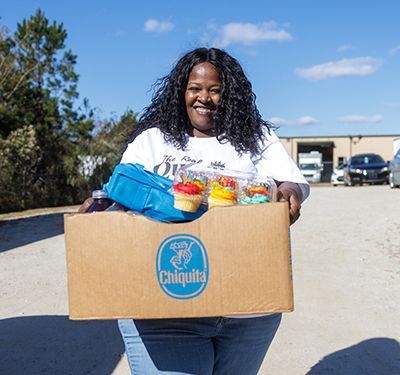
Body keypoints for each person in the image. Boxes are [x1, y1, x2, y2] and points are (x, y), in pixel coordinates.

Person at [81, 47, 309, 374]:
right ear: (181, 92)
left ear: (230, 95)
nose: (204, 98)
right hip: (164, 309)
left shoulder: (257, 139)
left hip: (248, 310)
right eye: (195, 89)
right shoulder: (153, 141)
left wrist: (288, 195)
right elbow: (121, 193)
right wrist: (98, 208)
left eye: (215, 90)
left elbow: (291, 184)